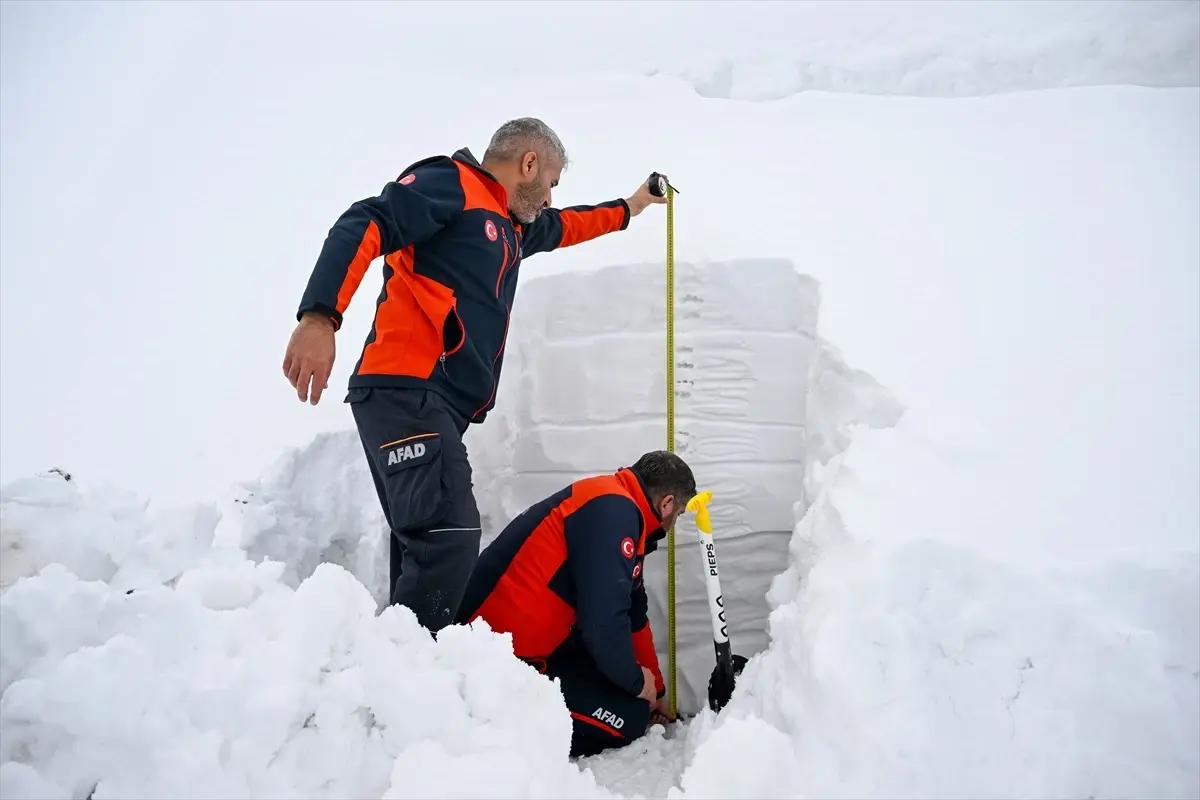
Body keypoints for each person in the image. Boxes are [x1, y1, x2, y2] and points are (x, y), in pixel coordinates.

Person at [281, 118, 669, 634]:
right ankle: (414, 673)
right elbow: (367, 221)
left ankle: (395, 665)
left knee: (423, 540)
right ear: (528, 163)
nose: (551, 198)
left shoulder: (510, 228)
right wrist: (320, 316)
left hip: (429, 402)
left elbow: (571, 225)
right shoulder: (452, 184)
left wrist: (632, 206)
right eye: (551, 182)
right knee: (451, 533)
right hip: (407, 387)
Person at [455, 450, 696, 758]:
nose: (675, 522)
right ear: (667, 504)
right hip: (495, 664)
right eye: (680, 513)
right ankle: (499, 732)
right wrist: (638, 684)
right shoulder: (614, 512)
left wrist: (657, 691)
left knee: (622, 687)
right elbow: (604, 622)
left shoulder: (613, 502)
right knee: (629, 718)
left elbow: (634, 614)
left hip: (533, 647)